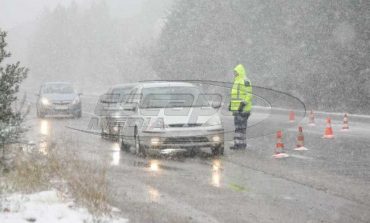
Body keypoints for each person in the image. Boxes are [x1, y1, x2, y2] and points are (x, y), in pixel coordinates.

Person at [229, 64, 252, 150]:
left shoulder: (245, 81)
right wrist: (231, 105)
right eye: (234, 72)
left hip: (243, 109)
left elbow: (249, 95)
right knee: (238, 128)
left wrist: (243, 104)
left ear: (240, 72)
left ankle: (241, 144)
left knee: (241, 128)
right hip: (237, 110)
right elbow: (235, 96)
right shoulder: (236, 81)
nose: (235, 74)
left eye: (236, 72)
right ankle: (238, 144)